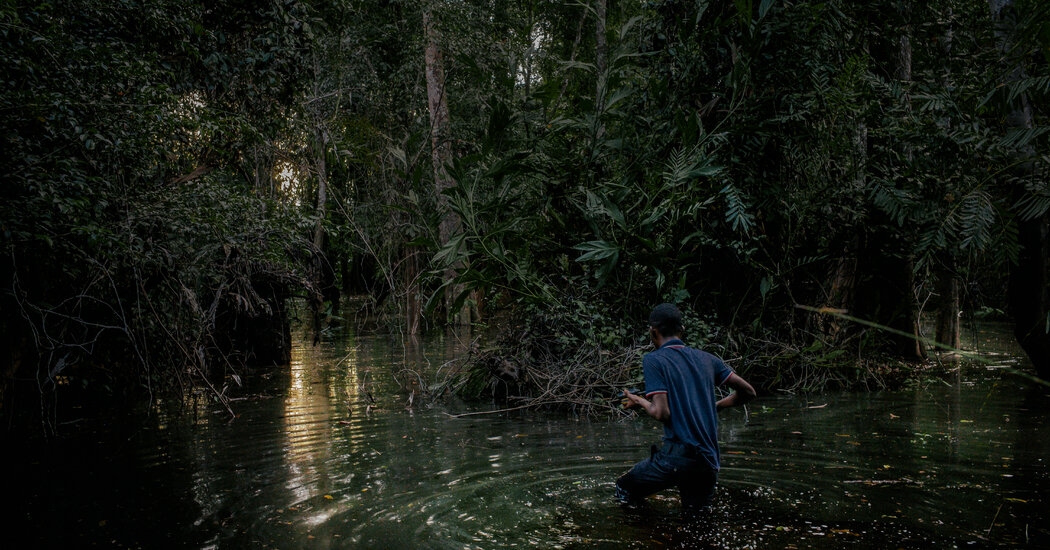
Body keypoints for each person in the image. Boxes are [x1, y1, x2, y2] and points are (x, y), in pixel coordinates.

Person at [616, 303, 756, 513]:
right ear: (681, 331)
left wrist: (640, 401)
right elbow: (748, 392)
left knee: (624, 488)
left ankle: (650, 535)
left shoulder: (654, 360)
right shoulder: (708, 359)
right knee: (697, 521)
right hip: (708, 460)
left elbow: (661, 413)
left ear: (653, 332)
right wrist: (712, 407)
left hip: (677, 458)